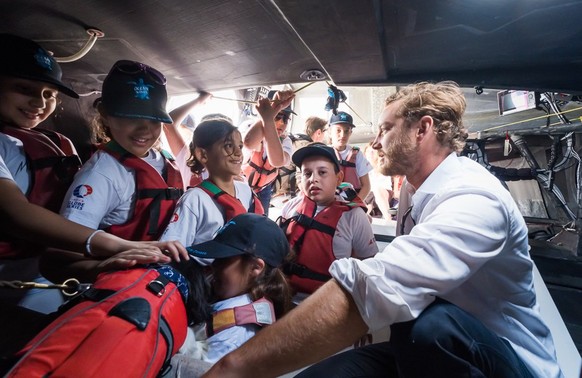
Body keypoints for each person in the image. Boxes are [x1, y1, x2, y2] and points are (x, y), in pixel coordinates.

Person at [203, 81, 562, 378]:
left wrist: (232, 368)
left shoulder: (474, 199)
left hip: (503, 359)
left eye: (385, 129)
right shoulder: (413, 188)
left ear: (422, 129)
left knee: (434, 326)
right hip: (426, 351)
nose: (374, 143)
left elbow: (379, 284)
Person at [60, 59, 184, 243]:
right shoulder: (101, 174)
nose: (144, 130)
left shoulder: (164, 159)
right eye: (132, 118)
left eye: (154, 120)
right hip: (120, 269)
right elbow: (67, 245)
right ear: (105, 114)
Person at [177, 213, 293, 364]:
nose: (213, 265)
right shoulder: (247, 293)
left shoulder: (235, 335)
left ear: (255, 268)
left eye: (223, 259)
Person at [279, 143, 377, 302]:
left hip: (328, 303)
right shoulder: (289, 208)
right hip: (286, 297)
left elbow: (369, 264)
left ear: (338, 178)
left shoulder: (354, 216)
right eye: (307, 173)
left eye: (322, 172)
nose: (313, 179)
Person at [159, 117, 263, 250]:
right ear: (203, 155)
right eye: (228, 146)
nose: (238, 153)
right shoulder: (194, 199)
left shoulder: (245, 190)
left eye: (240, 146)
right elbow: (172, 250)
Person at [241, 90, 295, 215]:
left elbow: (277, 161)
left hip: (263, 190)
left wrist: (270, 115)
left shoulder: (285, 140)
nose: (282, 123)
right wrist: (269, 114)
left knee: (260, 224)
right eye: (277, 116)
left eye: (285, 119)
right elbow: (249, 143)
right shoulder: (249, 126)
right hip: (241, 185)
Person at [163, 92, 212, 189]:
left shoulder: (189, 163)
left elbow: (168, 123)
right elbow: (168, 123)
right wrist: (199, 100)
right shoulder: (189, 162)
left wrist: (199, 100)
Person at [273, 116, 328, 198]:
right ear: (319, 132)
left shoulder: (293, 141)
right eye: (325, 132)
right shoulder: (307, 148)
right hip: (286, 195)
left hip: (274, 192)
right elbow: (301, 177)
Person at [328, 111, 373, 203]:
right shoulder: (324, 153)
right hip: (329, 202)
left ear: (351, 132)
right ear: (329, 132)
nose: (342, 135)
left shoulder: (357, 154)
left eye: (346, 131)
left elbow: (366, 186)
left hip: (352, 202)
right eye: (338, 130)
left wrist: (354, 205)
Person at [363, 142, 393, 221]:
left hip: (384, 192)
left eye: (372, 152)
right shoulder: (362, 170)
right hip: (369, 195)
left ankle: (388, 220)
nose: (370, 154)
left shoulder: (383, 167)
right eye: (368, 152)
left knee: (377, 191)